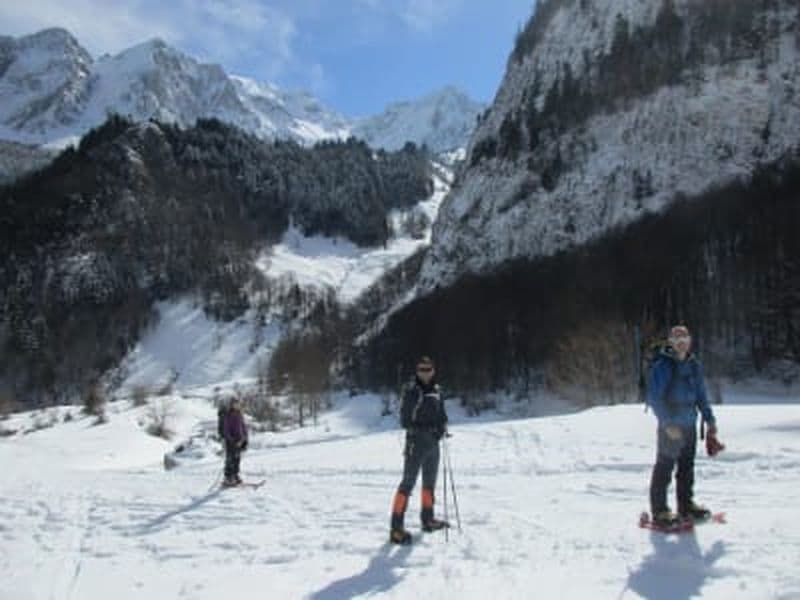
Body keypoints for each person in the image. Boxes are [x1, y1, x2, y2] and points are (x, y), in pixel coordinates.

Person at [647, 325, 717, 526]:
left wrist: (710, 421)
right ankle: (660, 511)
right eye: (676, 338)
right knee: (665, 467)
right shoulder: (663, 365)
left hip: (689, 424)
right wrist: (667, 423)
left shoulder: (694, 365)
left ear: (690, 340)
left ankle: (686, 506)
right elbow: (654, 397)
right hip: (671, 426)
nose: (681, 341)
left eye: (684, 337)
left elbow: (701, 396)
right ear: (670, 341)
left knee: (687, 467)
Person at [389, 356, 449, 544]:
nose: (425, 372)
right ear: (417, 371)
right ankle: (396, 529)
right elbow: (405, 420)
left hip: (433, 442)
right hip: (416, 442)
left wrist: (442, 427)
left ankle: (428, 519)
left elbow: (442, 414)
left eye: (428, 368)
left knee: (429, 483)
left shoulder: (437, 390)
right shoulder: (411, 391)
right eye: (422, 369)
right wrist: (425, 428)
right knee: (407, 483)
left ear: (433, 370)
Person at [222, 398, 248, 487]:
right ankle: (228, 478)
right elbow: (226, 430)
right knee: (230, 460)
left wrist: (245, 439)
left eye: (238, 404)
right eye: (235, 404)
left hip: (240, 441)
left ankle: (235, 475)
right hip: (231, 442)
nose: (237, 405)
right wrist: (232, 441)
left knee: (237, 459)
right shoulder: (228, 415)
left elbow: (243, 427)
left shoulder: (240, 414)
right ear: (231, 405)